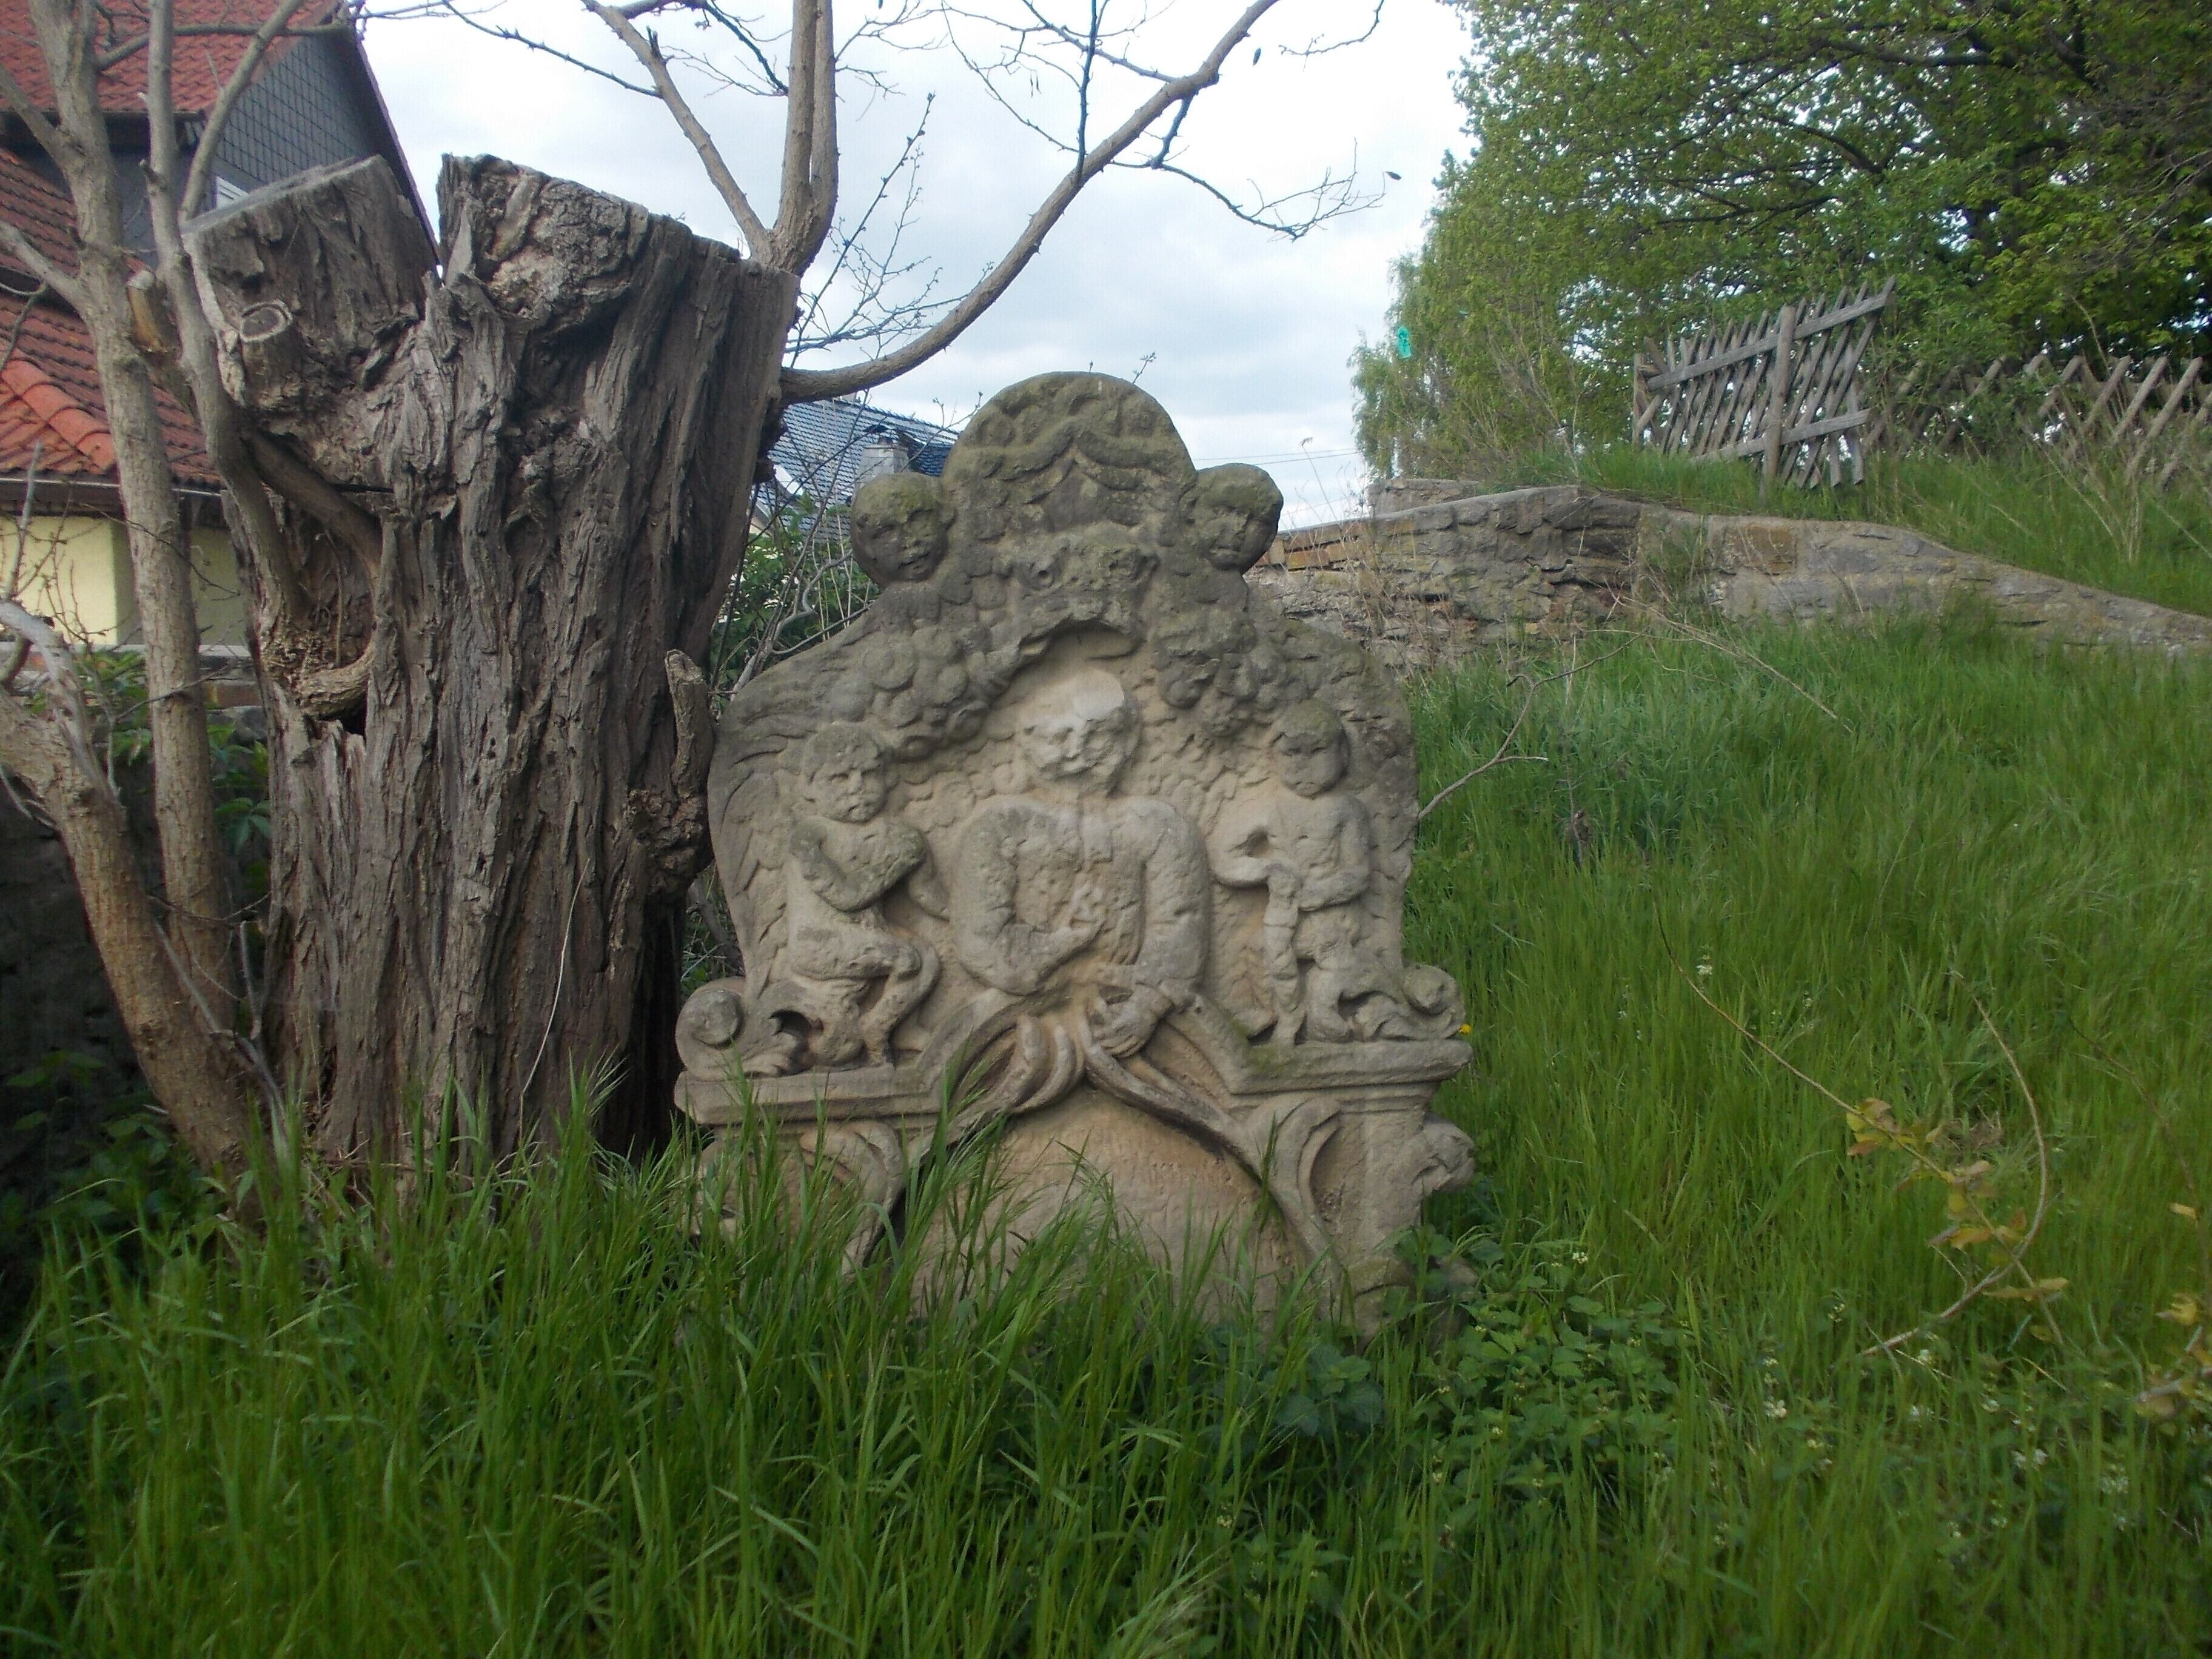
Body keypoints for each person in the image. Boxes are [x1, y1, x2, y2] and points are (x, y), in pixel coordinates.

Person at [951, 669, 1207, 1059]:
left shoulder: (1159, 825)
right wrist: (1067, 943)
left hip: (1132, 1011)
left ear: (1128, 741)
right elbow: (983, 942)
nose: (1078, 751)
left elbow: (1179, 923)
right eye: (1059, 737)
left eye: (1098, 735)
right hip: (1018, 1015)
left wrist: (1148, 1005)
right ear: (1028, 743)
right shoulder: (999, 827)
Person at [1210, 699, 1406, 1044]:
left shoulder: (1347, 810)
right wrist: (1267, 869)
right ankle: (1276, 1018)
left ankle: (1326, 1019)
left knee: (1329, 963)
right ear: (1275, 756)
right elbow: (1224, 856)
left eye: (1317, 752)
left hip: (1333, 918)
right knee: (1259, 952)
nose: (1303, 766)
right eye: (1292, 753)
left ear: (1342, 754)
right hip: (1284, 914)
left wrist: (1317, 895)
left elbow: (1358, 874)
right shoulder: (1271, 808)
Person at [782, 722, 941, 1067]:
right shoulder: (809, 837)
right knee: (906, 959)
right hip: (818, 943)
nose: (858, 789)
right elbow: (846, 896)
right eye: (840, 779)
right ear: (809, 787)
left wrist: (964, 914)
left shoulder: (891, 832)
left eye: (868, 775)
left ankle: (900, 1024)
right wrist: (896, 861)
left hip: (864, 936)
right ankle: (876, 1029)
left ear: (886, 779)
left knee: (926, 956)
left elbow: (927, 895)